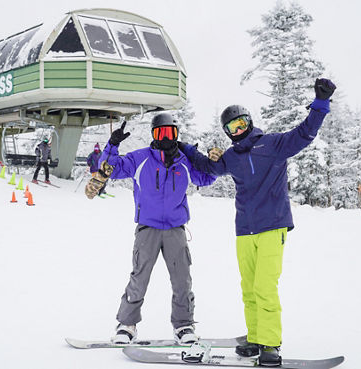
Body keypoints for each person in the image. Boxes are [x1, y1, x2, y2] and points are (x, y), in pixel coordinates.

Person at [178, 79, 336, 366]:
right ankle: (255, 337)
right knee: (249, 287)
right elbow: (207, 167)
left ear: (249, 121)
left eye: (241, 124)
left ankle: (271, 344)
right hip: (244, 230)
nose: (238, 131)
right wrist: (186, 148)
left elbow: (305, 133)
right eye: (232, 128)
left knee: (265, 287)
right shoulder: (231, 157)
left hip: (272, 227)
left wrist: (320, 103)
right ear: (227, 133)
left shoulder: (273, 144)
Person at [98, 114, 216, 344]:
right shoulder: (141, 158)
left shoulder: (185, 160)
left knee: (182, 279)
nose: (165, 138)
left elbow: (205, 179)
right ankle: (127, 324)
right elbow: (111, 169)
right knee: (139, 276)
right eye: (160, 133)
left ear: (176, 134)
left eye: (169, 133)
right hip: (148, 228)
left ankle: (183, 325)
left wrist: (210, 162)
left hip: (175, 229)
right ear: (153, 135)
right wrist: (112, 145)